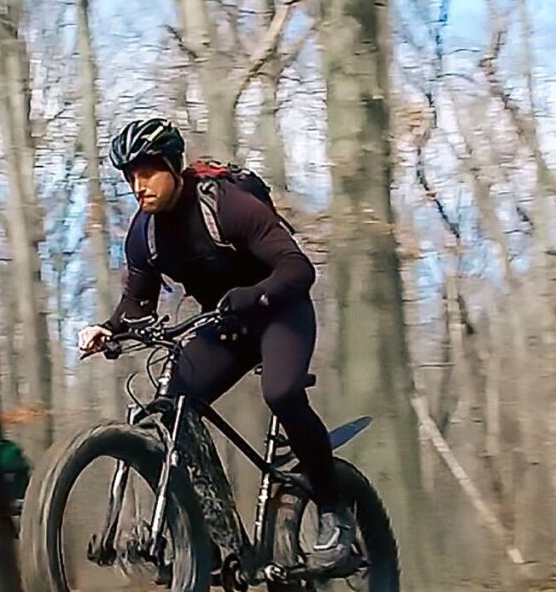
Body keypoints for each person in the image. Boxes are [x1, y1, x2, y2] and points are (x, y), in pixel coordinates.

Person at [76, 116, 356, 569]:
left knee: (281, 393)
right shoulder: (143, 234)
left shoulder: (224, 205)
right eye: (130, 176)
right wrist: (110, 329)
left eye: (146, 171)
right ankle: (210, 537)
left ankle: (334, 512)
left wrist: (252, 294)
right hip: (226, 325)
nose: (137, 185)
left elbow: (298, 269)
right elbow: (137, 303)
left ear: (171, 165)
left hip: (280, 313)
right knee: (171, 406)